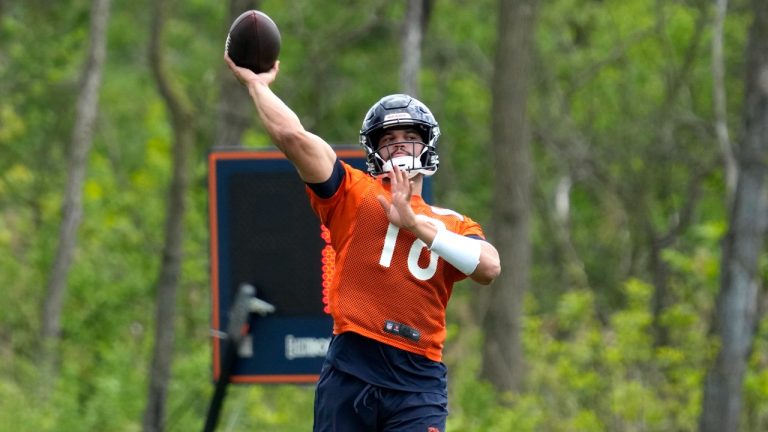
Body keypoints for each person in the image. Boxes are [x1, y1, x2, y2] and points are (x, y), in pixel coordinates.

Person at [225, 55, 501, 432]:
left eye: (409, 138)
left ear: (428, 147)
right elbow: (294, 138)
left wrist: (415, 224)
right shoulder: (354, 192)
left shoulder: (452, 222)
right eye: (389, 140)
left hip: (417, 378)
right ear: (374, 151)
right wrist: (257, 85)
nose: (400, 147)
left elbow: (489, 267)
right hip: (352, 364)